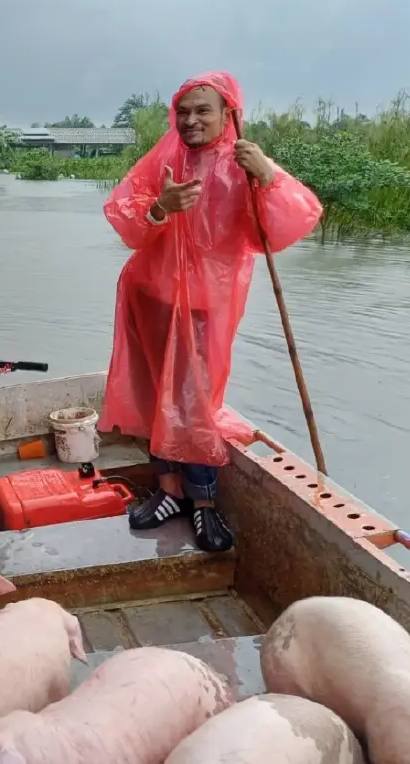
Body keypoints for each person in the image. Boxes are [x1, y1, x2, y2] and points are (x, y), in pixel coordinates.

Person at [99, 71, 322, 553]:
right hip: (150, 296)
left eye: (203, 110)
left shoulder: (243, 161)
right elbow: (124, 214)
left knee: (194, 401)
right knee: (156, 391)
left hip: (205, 306)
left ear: (228, 114)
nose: (191, 120)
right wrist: (161, 206)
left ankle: (203, 503)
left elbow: (291, 222)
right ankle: (169, 491)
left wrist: (268, 176)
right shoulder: (166, 156)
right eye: (183, 111)